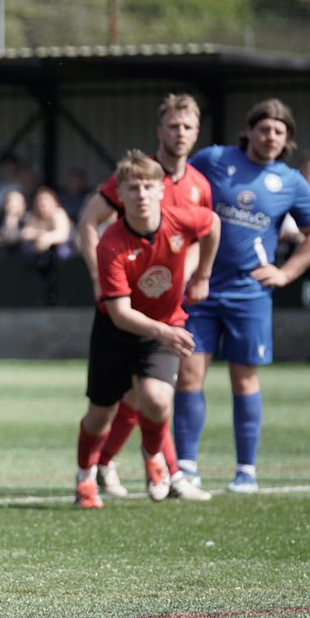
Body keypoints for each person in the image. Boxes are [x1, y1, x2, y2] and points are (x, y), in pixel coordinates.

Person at [175, 99, 310, 494]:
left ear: (287, 138)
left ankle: (246, 471)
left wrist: (287, 272)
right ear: (250, 130)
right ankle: (186, 467)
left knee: (244, 380)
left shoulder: (290, 181)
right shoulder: (214, 159)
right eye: (264, 129)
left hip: (249, 294)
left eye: (279, 132)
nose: (271, 137)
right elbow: (179, 191)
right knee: (190, 375)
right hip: (201, 289)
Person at [74, 93, 213, 499]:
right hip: (123, 308)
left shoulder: (198, 187)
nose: (180, 133)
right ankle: (103, 467)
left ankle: (162, 468)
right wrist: (99, 279)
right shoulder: (134, 178)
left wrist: (194, 276)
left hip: (165, 309)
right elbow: (88, 223)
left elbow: (203, 232)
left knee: (156, 394)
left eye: (187, 126)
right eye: (173, 126)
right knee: (116, 403)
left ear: (197, 131)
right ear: (160, 130)